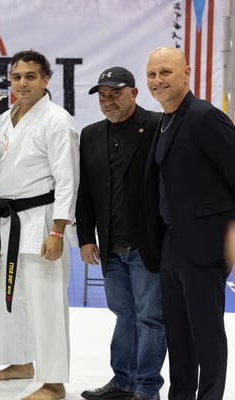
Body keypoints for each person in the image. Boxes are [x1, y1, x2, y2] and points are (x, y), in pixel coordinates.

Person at [0, 50, 79, 400]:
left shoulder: (57, 120)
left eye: (30, 76)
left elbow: (67, 181)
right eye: (16, 77)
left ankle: (54, 381)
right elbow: (5, 167)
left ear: (46, 79)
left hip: (42, 222)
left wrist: (58, 231)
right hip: (8, 221)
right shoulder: (5, 118)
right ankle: (20, 361)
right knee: (10, 298)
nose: (22, 83)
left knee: (46, 304)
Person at [145, 47, 235, 400]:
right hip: (171, 245)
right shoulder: (165, 119)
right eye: (152, 74)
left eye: (165, 72)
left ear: (187, 73)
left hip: (205, 247)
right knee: (178, 335)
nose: (157, 80)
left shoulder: (204, 117)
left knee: (207, 335)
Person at [77, 66, 166, 400]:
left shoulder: (157, 126)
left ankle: (146, 388)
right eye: (102, 96)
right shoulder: (90, 134)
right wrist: (86, 237)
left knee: (151, 320)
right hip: (110, 246)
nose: (108, 101)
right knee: (124, 315)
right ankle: (122, 382)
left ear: (134, 93)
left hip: (149, 246)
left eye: (115, 93)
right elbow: (84, 191)